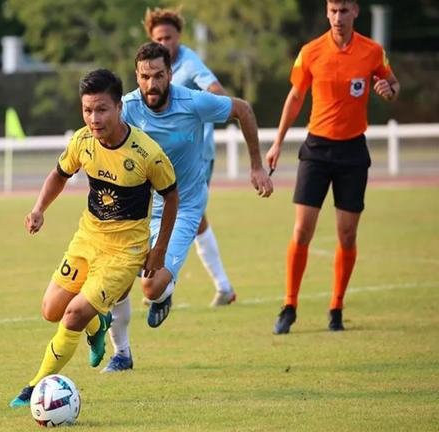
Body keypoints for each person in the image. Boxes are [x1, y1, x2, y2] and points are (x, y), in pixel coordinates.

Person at [9, 68, 178, 407]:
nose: (94, 118)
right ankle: (97, 325)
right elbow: (59, 174)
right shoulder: (82, 141)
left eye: (102, 109)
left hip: (125, 252)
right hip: (87, 239)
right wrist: (39, 208)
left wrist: (159, 248)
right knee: (51, 310)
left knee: (72, 314)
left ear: (119, 108)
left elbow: (172, 197)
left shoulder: (147, 153)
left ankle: (35, 387)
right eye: (87, 110)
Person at [101, 42, 273, 372]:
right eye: (145, 77)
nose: (152, 84)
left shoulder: (193, 102)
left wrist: (256, 166)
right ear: (136, 76)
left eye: (159, 75)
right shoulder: (128, 107)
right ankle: (121, 354)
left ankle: (163, 293)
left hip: (184, 207)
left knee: (151, 287)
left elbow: (243, 110)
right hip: (140, 209)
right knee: (116, 280)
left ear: (170, 74)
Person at [267, 0, 399, 334]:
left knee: (347, 234)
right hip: (317, 150)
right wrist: (278, 142)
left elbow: (393, 85)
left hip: (352, 152)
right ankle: (289, 306)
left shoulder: (372, 51)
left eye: (344, 10)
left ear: (356, 11)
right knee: (302, 230)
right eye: (333, 10)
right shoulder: (310, 52)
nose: (338, 17)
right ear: (327, 12)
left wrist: (388, 90)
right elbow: (295, 96)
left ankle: (336, 308)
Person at [144, 6, 236, 307]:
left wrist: (199, 104)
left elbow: (216, 90)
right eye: (159, 38)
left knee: (190, 215)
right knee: (182, 216)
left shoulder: (188, 61)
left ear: (179, 37)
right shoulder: (152, 68)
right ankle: (170, 280)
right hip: (164, 159)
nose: (165, 43)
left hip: (197, 156)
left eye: (169, 37)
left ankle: (167, 282)